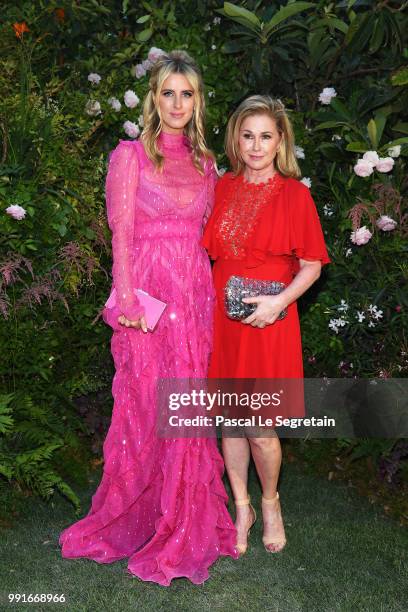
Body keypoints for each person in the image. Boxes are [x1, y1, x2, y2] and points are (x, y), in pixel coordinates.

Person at [59, 50, 238, 586]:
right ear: (154, 100)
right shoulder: (130, 157)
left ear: (197, 101)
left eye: (187, 94)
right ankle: (134, 515)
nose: (178, 103)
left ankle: (183, 519)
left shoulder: (208, 164)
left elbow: (214, 236)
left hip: (194, 295)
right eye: (168, 93)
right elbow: (121, 233)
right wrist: (128, 301)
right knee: (143, 405)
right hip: (147, 298)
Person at [202, 95, 331, 555]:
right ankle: (242, 507)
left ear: (280, 143)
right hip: (224, 321)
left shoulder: (296, 195)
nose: (256, 146)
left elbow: (312, 265)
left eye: (266, 137)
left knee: (260, 427)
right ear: (237, 139)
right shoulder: (221, 186)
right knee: (230, 423)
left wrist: (278, 303)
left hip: (269, 322)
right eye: (248, 135)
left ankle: (271, 501)